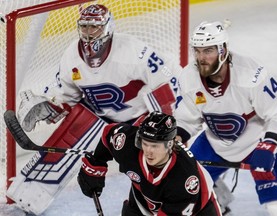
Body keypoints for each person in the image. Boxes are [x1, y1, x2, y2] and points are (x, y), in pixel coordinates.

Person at [8, 4, 180, 215]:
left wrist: (168, 129)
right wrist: (50, 106)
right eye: (85, 27)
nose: (89, 33)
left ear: (108, 28)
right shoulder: (71, 55)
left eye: (95, 28)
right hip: (99, 119)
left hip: (138, 120)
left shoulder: (133, 50)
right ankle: (27, 201)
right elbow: (66, 95)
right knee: (64, 141)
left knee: (146, 165)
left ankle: (158, 205)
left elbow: (165, 83)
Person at [175, 20, 277, 216]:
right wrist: (175, 137)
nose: (202, 58)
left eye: (208, 50)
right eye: (198, 51)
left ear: (223, 49)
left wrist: (270, 143)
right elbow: (186, 119)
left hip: (257, 142)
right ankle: (219, 200)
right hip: (214, 142)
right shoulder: (188, 77)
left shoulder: (250, 74)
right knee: (182, 183)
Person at [77, 111, 222, 215]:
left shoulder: (185, 179)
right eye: (145, 143)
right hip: (142, 200)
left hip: (199, 209)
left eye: (155, 146)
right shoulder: (128, 144)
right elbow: (109, 133)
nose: (148, 151)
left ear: (170, 145)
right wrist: (95, 164)